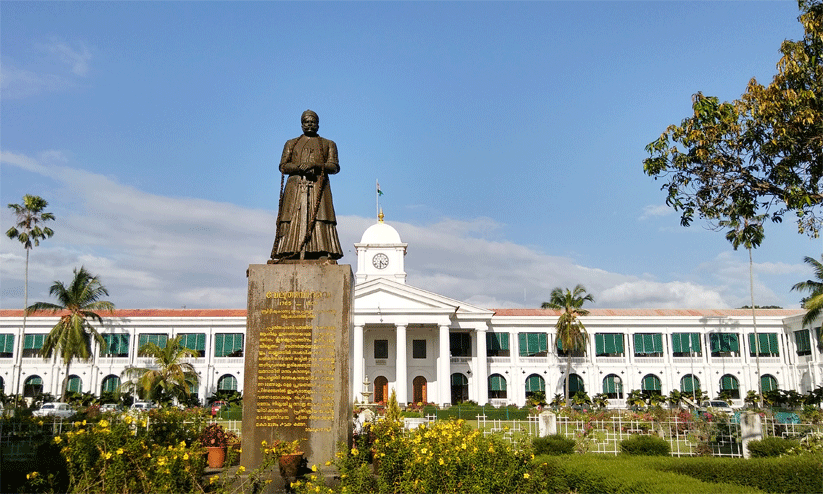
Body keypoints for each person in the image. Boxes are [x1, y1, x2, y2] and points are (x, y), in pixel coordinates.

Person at [270, 110, 343, 261]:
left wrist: (315, 165)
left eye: (312, 122)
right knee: (291, 217)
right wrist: (299, 168)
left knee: (320, 217)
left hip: (318, 186)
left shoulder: (328, 144)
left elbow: (334, 166)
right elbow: (283, 166)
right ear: (301, 124)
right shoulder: (291, 143)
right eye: (306, 122)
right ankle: (289, 250)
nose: (309, 124)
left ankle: (323, 249)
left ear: (318, 124)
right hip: (295, 187)